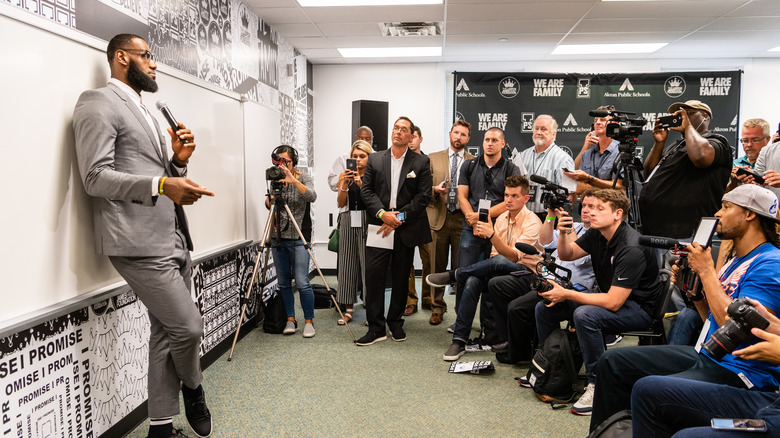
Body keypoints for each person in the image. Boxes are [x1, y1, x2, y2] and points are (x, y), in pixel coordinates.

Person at [72, 33, 214, 438]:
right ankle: (194, 387)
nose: (154, 64)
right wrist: (162, 184)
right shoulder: (97, 102)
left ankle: (161, 428)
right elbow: (94, 177)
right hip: (134, 241)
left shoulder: (147, 111)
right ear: (122, 57)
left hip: (172, 235)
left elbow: (159, 176)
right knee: (187, 328)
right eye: (147, 56)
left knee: (164, 332)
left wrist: (178, 165)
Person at [590, 184, 780, 431]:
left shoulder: (770, 263)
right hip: (708, 354)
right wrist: (697, 295)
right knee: (612, 361)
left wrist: (706, 270)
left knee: (648, 390)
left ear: (750, 214)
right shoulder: (737, 260)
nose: (718, 214)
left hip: (742, 372)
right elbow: (710, 319)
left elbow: (736, 326)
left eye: (726, 207)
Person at [535, 189, 662, 416]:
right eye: (590, 208)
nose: (591, 213)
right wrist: (563, 233)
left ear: (618, 214)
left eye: (599, 209)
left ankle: (597, 384)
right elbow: (567, 255)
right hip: (612, 299)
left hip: (638, 309)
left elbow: (614, 302)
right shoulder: (597, 233)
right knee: (544, 306)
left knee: (585, 315)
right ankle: (553, 366)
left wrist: (567, 293)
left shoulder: (631, 247)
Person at [426, 175, 542, 361]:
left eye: (514, 196)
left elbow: (514, 256)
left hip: (526, 275)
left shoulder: (533, 221)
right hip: (503, 270)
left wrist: (492, 235)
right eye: (506, 195)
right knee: (473, 280)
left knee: (500, 262)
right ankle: (459, 341)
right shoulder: (502, 218)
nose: (508, 200)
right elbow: (495, 255)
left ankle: (455, 274)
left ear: (526, 198)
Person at [631, 298, 780, 438]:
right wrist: (769, 322)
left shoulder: (767, 271)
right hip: (771, 401)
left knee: (684, 436)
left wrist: (706, 272)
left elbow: (614, 302)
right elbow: (714, 319)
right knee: (647, 389)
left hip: (746, 376)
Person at [357, 117, 432, 346]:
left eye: (404, 130)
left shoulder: (420, 162)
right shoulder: (375, 159)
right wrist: (383, 215)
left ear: (411, 136)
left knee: (401, 278)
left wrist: (397, 218)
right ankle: (376, 327)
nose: (398, 132)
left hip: (403, 227)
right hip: (379, 226)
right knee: (374, 275)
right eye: (396, 128)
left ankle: (395, 322)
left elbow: (423, 197)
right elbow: (367, 191)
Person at [492, 200, 595, 364]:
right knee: (498, 284)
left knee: (517, 308)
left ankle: (522, 355)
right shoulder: (577, 226)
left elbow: (578, 260)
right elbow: (545, 241)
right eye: (584, 206)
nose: (586, 210)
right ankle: (514, 344)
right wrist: (550, 216)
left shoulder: (595, 236)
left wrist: (567, 229)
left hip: (570, 287)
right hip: (548, 278)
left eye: (592, 207)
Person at [639, 99, 732, 238]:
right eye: (680, 115)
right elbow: (649, 174)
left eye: (689, 113)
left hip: (687, 232)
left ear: (705, 117)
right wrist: (659, 143)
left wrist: (688, 127)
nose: (683, 117)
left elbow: (701, 158)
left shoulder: (717, 141)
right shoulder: (675, 146)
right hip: (655, 228)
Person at [455, 127, 523, 315]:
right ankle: (460, 320)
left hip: (498, 228)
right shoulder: (469, 165)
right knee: (465, 272)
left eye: (494, 140)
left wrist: (482, 217)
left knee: (493, 276)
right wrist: (473, 219)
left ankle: (489, 323)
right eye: (487, 140)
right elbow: (462, 196)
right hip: (471, 228)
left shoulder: (511, 169)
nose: (490, 143)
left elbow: (510, 201)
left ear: (502, 143)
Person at [423, 121, 475, 325]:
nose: (459, 137)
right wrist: (435, 190)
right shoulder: (432, 158)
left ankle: (460, 310)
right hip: (438, 219)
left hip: (463, 221)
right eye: (456, 133)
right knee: (436, 266)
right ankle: (437, 307)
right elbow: (422, 188)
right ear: (450, 134)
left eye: (463, 134)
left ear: (468, 138)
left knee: (461, 268)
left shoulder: (474, 161)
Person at [265, 145, 318, 338]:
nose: (282, 165)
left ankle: (309, 321)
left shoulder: (303, 177)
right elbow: (270, 204)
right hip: (279, 238)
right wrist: (270, 198)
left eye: (285, 161)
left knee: (302, 281)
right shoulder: (275, 178)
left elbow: (311, 196)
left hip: (298, 237)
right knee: (284, 283)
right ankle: (290, 319)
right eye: (278, 161)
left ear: (293, 161)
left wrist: (293, 180)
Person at [334, 140, 372, 325]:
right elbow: (341, 203)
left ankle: (371, 310)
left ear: (369, 157)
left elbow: (373, 201)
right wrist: (345, 184)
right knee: (347, 264)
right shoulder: (344, 176)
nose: (357, 160)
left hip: (368, 220)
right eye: (354, 156)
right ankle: (348, 310)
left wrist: (361, 183)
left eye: (362, 156)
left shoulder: (373, 175)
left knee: (368, 266)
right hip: (348, 218)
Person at [517, 114, 576, 221]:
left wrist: (562, 220)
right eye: (536, 129)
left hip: (549, 218)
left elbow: (570, 194)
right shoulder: (524, 155)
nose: (539, 132)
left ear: (553, 134)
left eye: (544, 129)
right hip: (524, 217)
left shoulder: (563, 159)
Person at [405, 125, 434, 317]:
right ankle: (410, 300)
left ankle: (428, 298)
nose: (410, 140)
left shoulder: (427, 161)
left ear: (420, 139)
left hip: (426, 217)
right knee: (406, 263)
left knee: (429, 260)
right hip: (404, 218)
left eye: (414, 136)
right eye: (409, 136)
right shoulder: (400, 160)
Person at [566, 105, 624, 194]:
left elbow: (619, 187)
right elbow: (578, 188)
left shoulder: (621, 151)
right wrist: (606, 186)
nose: (598, 123)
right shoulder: (587, 154)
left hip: (610, 206)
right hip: (588, 206)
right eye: (595, 120)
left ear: (614, 124)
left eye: (603, 120)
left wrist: (588, 179)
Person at [328, 126, 373, 192]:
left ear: (372, 139)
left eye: (367, 139)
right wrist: (345, 178)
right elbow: (332, 184)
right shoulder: (343, 158)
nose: (364, 141)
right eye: (360, 138)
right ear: (355, 138)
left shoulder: (377, 158)